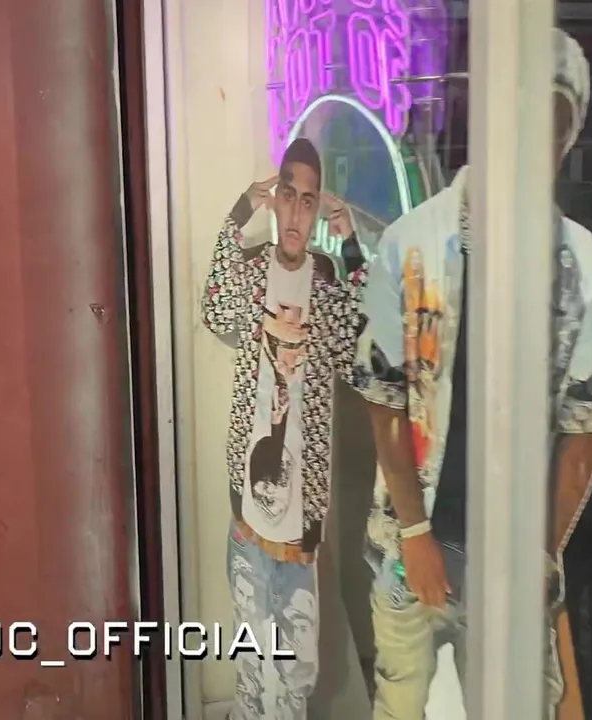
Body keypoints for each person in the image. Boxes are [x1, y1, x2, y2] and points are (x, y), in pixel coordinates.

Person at [351, 30, 592, 720]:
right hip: (411, 545)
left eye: (555, 130)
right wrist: (416, 536)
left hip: (511, 563)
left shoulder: (581, 267)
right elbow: (385, 400)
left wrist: (538, 556)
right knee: (400, 704)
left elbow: (586, 428)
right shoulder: (411, 243)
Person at [200, 136, 367, 719]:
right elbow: (213, 309)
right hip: (249, 506)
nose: (296, 212)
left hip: (301, 515)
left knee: (298, 669)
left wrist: (350, 245)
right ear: (276, 200)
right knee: (251, 661)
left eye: (308, 200)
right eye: (288, 196)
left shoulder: (325, 287)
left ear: (317, 210)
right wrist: (238, 213)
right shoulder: (251, 277)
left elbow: (358, 348)